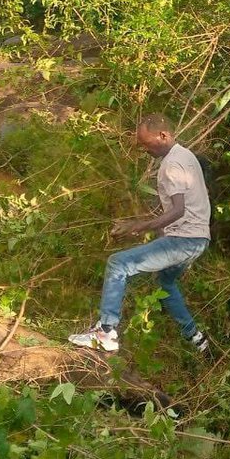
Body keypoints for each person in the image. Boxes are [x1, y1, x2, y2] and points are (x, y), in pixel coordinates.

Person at [68, 114, 211, 354]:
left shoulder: (172, 164)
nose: (144, 149)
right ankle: (196, 338)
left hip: (185, 240)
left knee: (118, 264)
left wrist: (137, 226)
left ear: (163, 135)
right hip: (197, 239)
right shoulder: (186, 155)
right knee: (165, 282)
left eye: (146, 143)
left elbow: (178, 210)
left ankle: (106, 331)